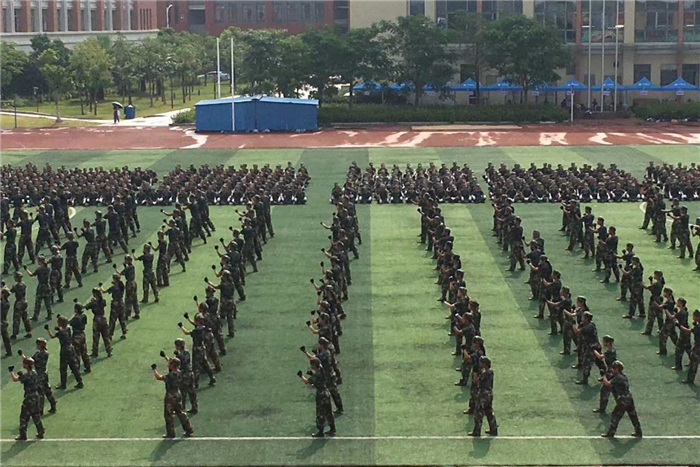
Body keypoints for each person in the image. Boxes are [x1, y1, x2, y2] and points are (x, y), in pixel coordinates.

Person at [151, 358, 194, 438]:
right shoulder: (180, 373)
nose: (168, 364)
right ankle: (189, 430)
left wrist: (154, 369)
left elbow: (159, 377)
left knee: (168, 415)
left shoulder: (171, 375)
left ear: (173, 365)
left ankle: (171, 433)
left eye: (170, 363)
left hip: (170, 396)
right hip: (178, 394)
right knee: (181, 413)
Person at [601, 361, 642, 438]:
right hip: (629, 398)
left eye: (614, 368)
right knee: (633, 415)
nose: (612, 370)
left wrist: (603, 376)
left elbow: (607, 384)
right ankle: (638, 432)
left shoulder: (618, 377)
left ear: (617, 369)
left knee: (615, 415)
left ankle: (611, 433)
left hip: (623, 400)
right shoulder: (624, 376)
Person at [8, 357, 45, 441]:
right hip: (36, 396)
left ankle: (23, 435)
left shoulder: (27, 375)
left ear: (27, 365)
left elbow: (14, 379)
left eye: (24, 363)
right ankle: (41, 432)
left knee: (24, 417)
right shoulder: (34, 372)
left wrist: (11, 371)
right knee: (36, 415)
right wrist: (21, 375)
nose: (23, 364)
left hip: (29, 397)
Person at [298, 357, 336, 438]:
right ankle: (332, 428)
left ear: (314, 365)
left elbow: (307, 382)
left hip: (321, 395)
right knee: (329, 412)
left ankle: (320, 432)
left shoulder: (317, 374)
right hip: (327, 393)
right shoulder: (321, 370)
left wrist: (301, 376)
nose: (311, 366)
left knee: (320, 414)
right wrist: (311, 374)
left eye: (311, 365)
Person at [45, 315, 84, 390]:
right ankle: (80, 381)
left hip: (64, 350)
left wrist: (48, 330)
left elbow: (52, 336)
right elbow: (64, 327)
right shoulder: (68, 329)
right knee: (74, 366)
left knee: (63, 368)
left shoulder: (60, 332)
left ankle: (63, 385)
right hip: (71, 348)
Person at [21, 338, 57, 414]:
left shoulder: (39, 355)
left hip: (39, 375)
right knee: (47, 390)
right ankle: (53, 405)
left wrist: (22, 355)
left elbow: (30, 361)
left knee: (40, 393)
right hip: (44, 373)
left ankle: (40, 410)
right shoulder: (45, 353)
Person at [468, 356, 498, 437]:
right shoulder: (491, 372)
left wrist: (476, 373)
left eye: (481, 362)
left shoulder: (485, 374)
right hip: (489, 393)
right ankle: (493, 429)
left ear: (485, 364)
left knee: (478, 413)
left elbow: (476, 381)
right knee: (489, 411)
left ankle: (477, 431)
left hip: (483, 394)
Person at [25, 257, 53, 322]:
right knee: (47, 302)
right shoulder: (48, 268)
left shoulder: (39, 269)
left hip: (41, 287)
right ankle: (49, 315)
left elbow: (31, 275)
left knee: (38, 303)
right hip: (47, 286)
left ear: (40, 262)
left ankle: (35, 316)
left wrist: (26, 269)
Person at [10, 272, 32, 340]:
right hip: (24, 301)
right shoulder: (24, 284)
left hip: (18, 302)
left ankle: (15, 334)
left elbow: (11, 291)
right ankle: (29, 332)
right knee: (25, 317)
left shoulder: (16, 286)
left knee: (16, 319)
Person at [680, 310, 700, 384]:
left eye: (694, 316)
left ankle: (690, 380)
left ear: (697, 317)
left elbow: (688, 331)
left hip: (698, 348)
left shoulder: (698, 327)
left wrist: (678, 325)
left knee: (693, 364)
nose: (693, 317)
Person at [1, 285, 12, 356]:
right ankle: (9, 351)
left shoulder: (2, 304)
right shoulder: (7, 302)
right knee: (6, 338)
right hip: (4, 321)